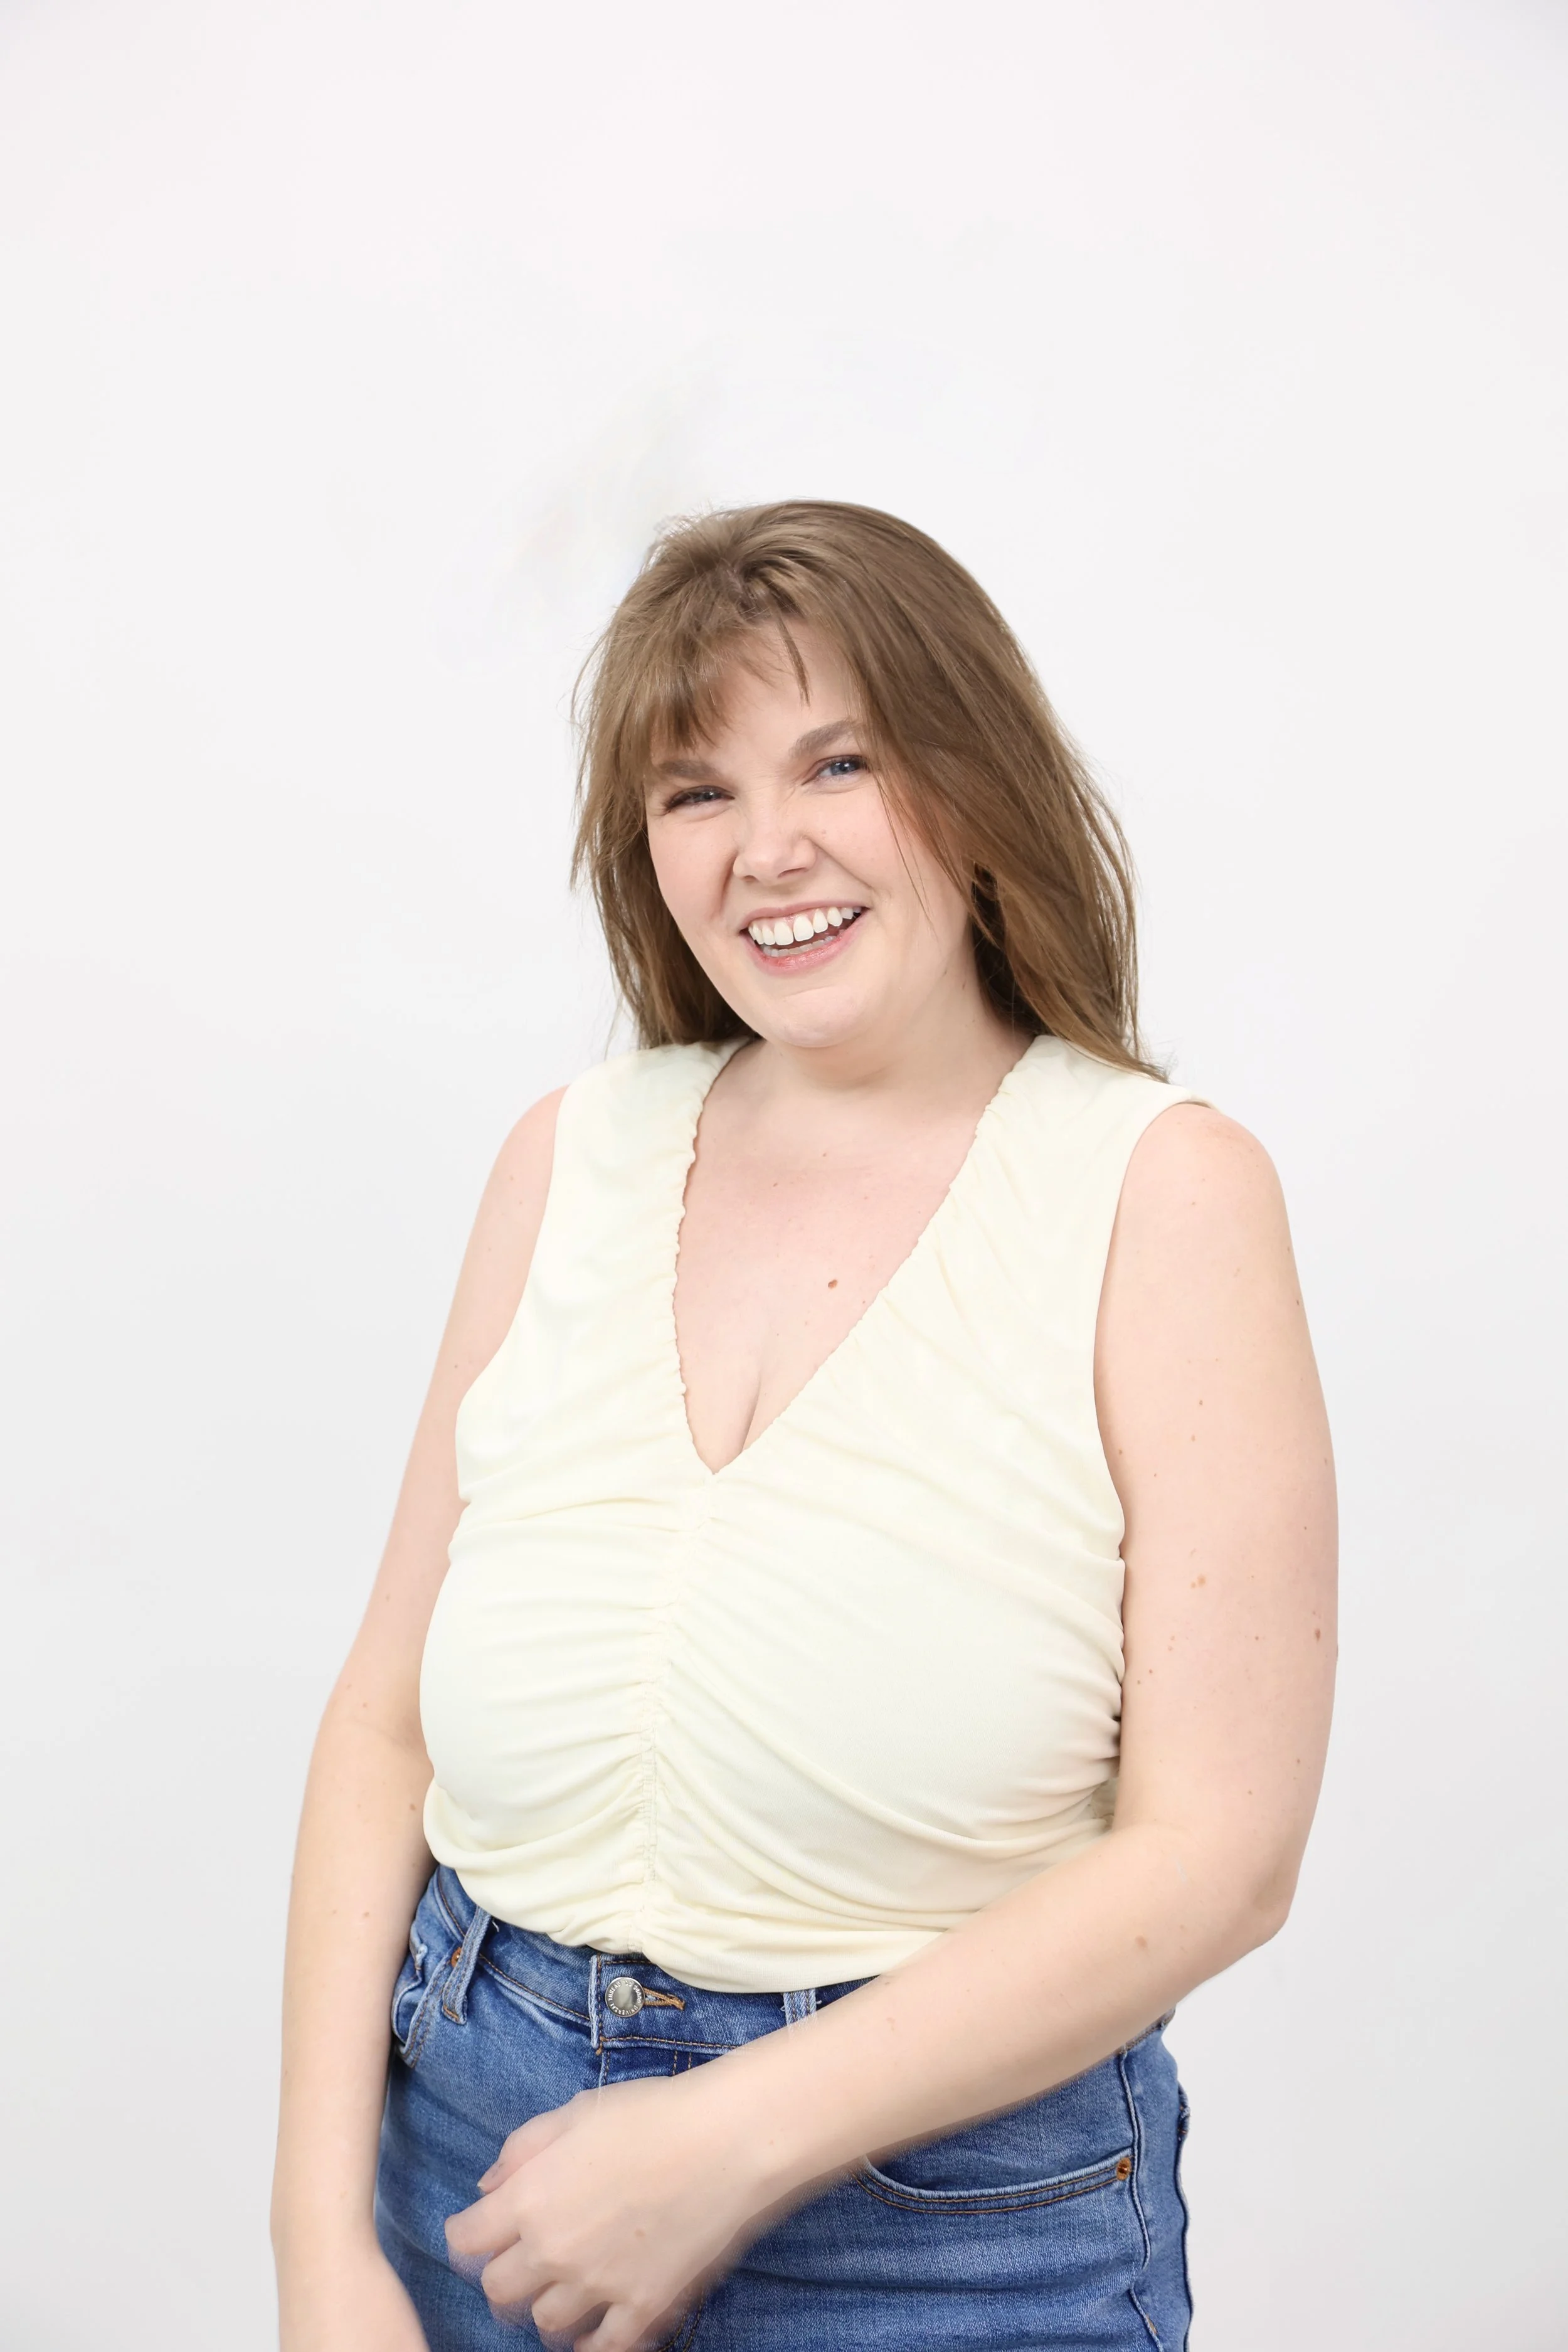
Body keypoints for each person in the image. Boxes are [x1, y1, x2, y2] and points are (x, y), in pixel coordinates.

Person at [270, 501, 1336, 2352]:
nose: (770, 848)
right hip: (467, 2170)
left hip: (942, 2220)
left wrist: (721, 2142)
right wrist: (320, 2252)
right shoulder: (570, 1155)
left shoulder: (1159, 1191)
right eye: (694, 792)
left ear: (972, 775)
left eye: (838, 759)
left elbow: (1218, 1851)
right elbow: (381, 1720)